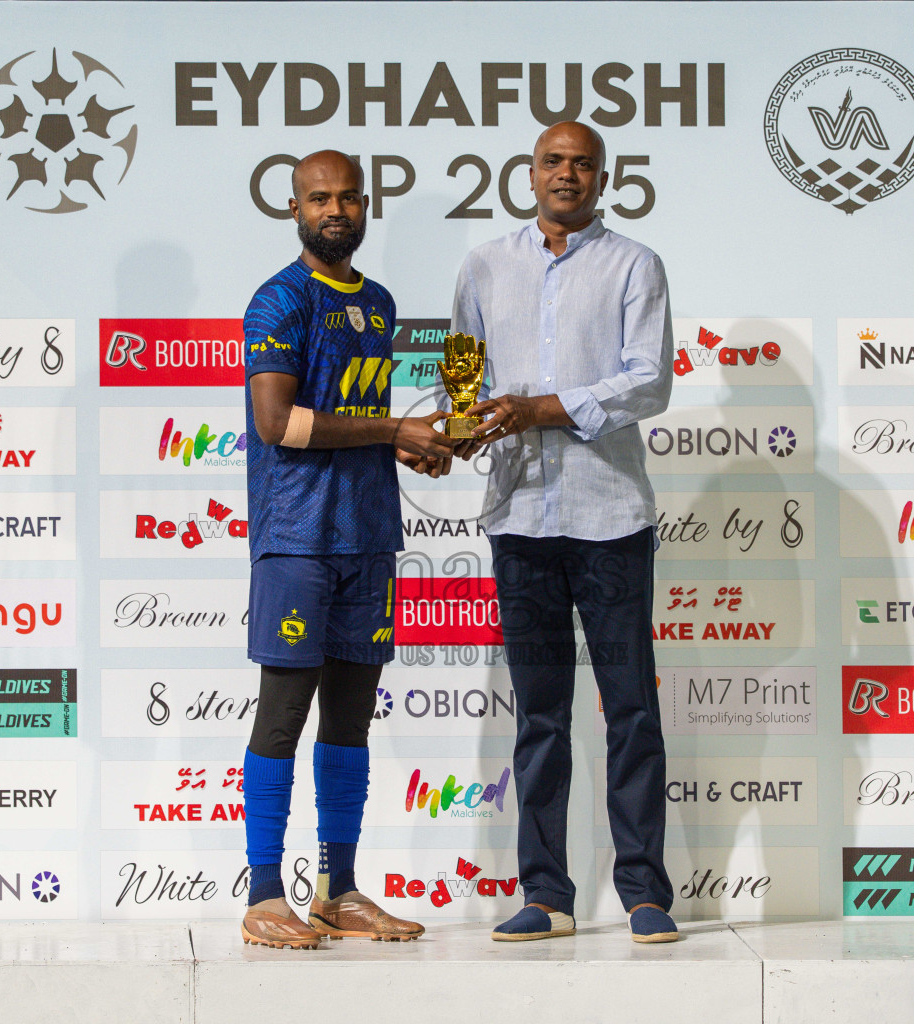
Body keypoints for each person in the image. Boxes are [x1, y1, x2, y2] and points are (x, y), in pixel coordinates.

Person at [449, 122, 678, 943]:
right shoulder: (484, 267)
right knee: (540, 714)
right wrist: (459, 431)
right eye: (554, 161)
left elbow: (649, 382)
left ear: (603, 176)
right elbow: (463, 377)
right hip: (520, 518)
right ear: (531, 172)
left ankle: (645, 892)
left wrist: (546, 408)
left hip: (609, 518)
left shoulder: (634, 265)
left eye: (583, 163)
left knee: (630, 711)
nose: (568, 174)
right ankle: (546, 893)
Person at [240, 149, 455, 949]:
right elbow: (280, 424)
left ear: (367, 208)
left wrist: (408, 445)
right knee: (283, 716)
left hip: (368, 536)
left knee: (351, 722)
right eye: (319, 198)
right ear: (294, 209)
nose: (336, 210)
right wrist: (393, 430)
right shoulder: (279, 302)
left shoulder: (381, 302)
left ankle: (340, 890)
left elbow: (354, 418)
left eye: (350, 198)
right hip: (297, 539)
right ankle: (265, 894)